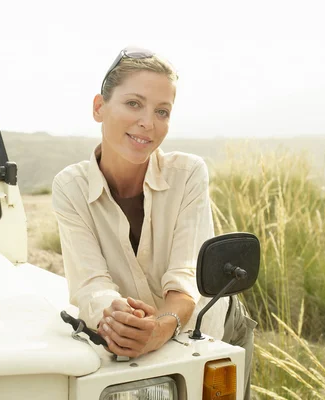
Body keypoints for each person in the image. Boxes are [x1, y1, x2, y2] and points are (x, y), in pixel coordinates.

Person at [52, 46, 256, 399]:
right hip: (137, 341)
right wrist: (113, 315)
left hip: (210, 330)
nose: (149, 122)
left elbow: (184, 280)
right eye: (134, 103)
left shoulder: (189, 173)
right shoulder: (69, 188)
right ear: (99, 107)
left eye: (162, 111)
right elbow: (90, 285)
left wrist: (160, 327)